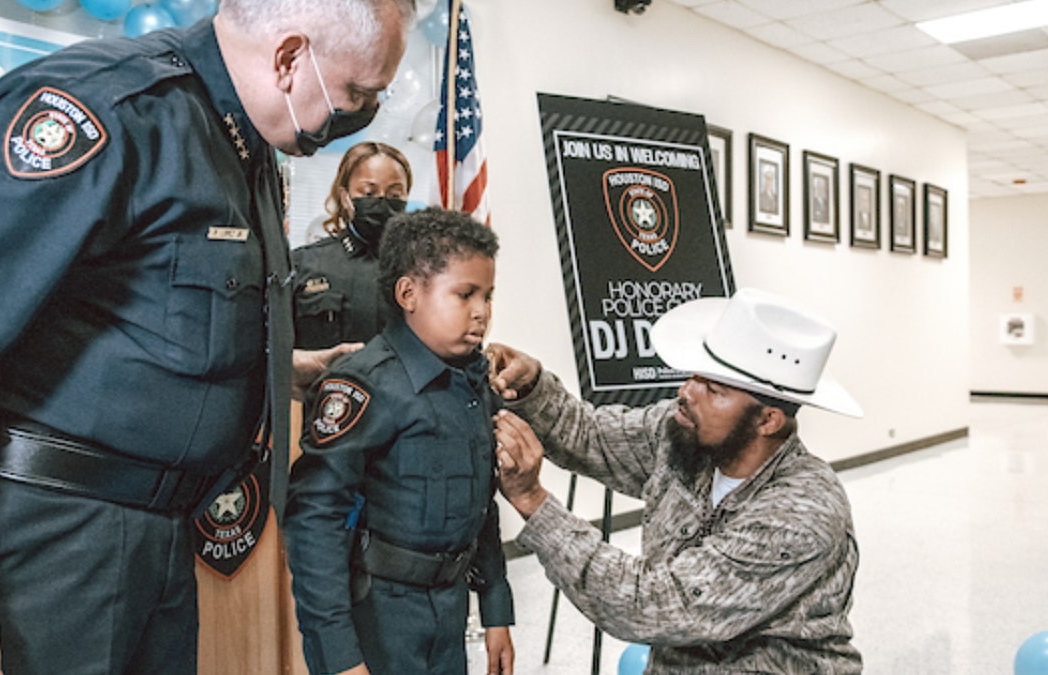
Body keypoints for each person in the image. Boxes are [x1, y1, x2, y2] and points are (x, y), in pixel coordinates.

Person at [0, 0, 413, 673]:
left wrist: (282, 370)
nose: (363, 113)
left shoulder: (242, 141)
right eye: (358, 93)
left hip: (160, 544)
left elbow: (149, 327)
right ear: (289, 57)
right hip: (53, 551)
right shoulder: (111, 114)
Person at [487, 288, 864, 673]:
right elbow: (591, 437)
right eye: (695, 376)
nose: (685, 392)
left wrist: (533, 501)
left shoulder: (800, 515)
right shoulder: (682, 432)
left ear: (768, 421)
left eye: (714, 390)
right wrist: (532, 386)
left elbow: (649, 605)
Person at [284, 208, 515, 675]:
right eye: (465, 294)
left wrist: (496, 607)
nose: (481, 312)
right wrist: (339, 655)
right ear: (408, 293)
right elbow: (314, 524)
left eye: (488, 296)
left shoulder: (472, 384)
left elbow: (479, 502)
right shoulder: (364, 384)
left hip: (447, 611)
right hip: (378, 616)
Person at [293, 141, 412, 350]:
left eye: (395, 195)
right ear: (345, 197)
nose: (382, 202)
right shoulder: (304, 265)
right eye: (368, 193)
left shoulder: (423, 268)